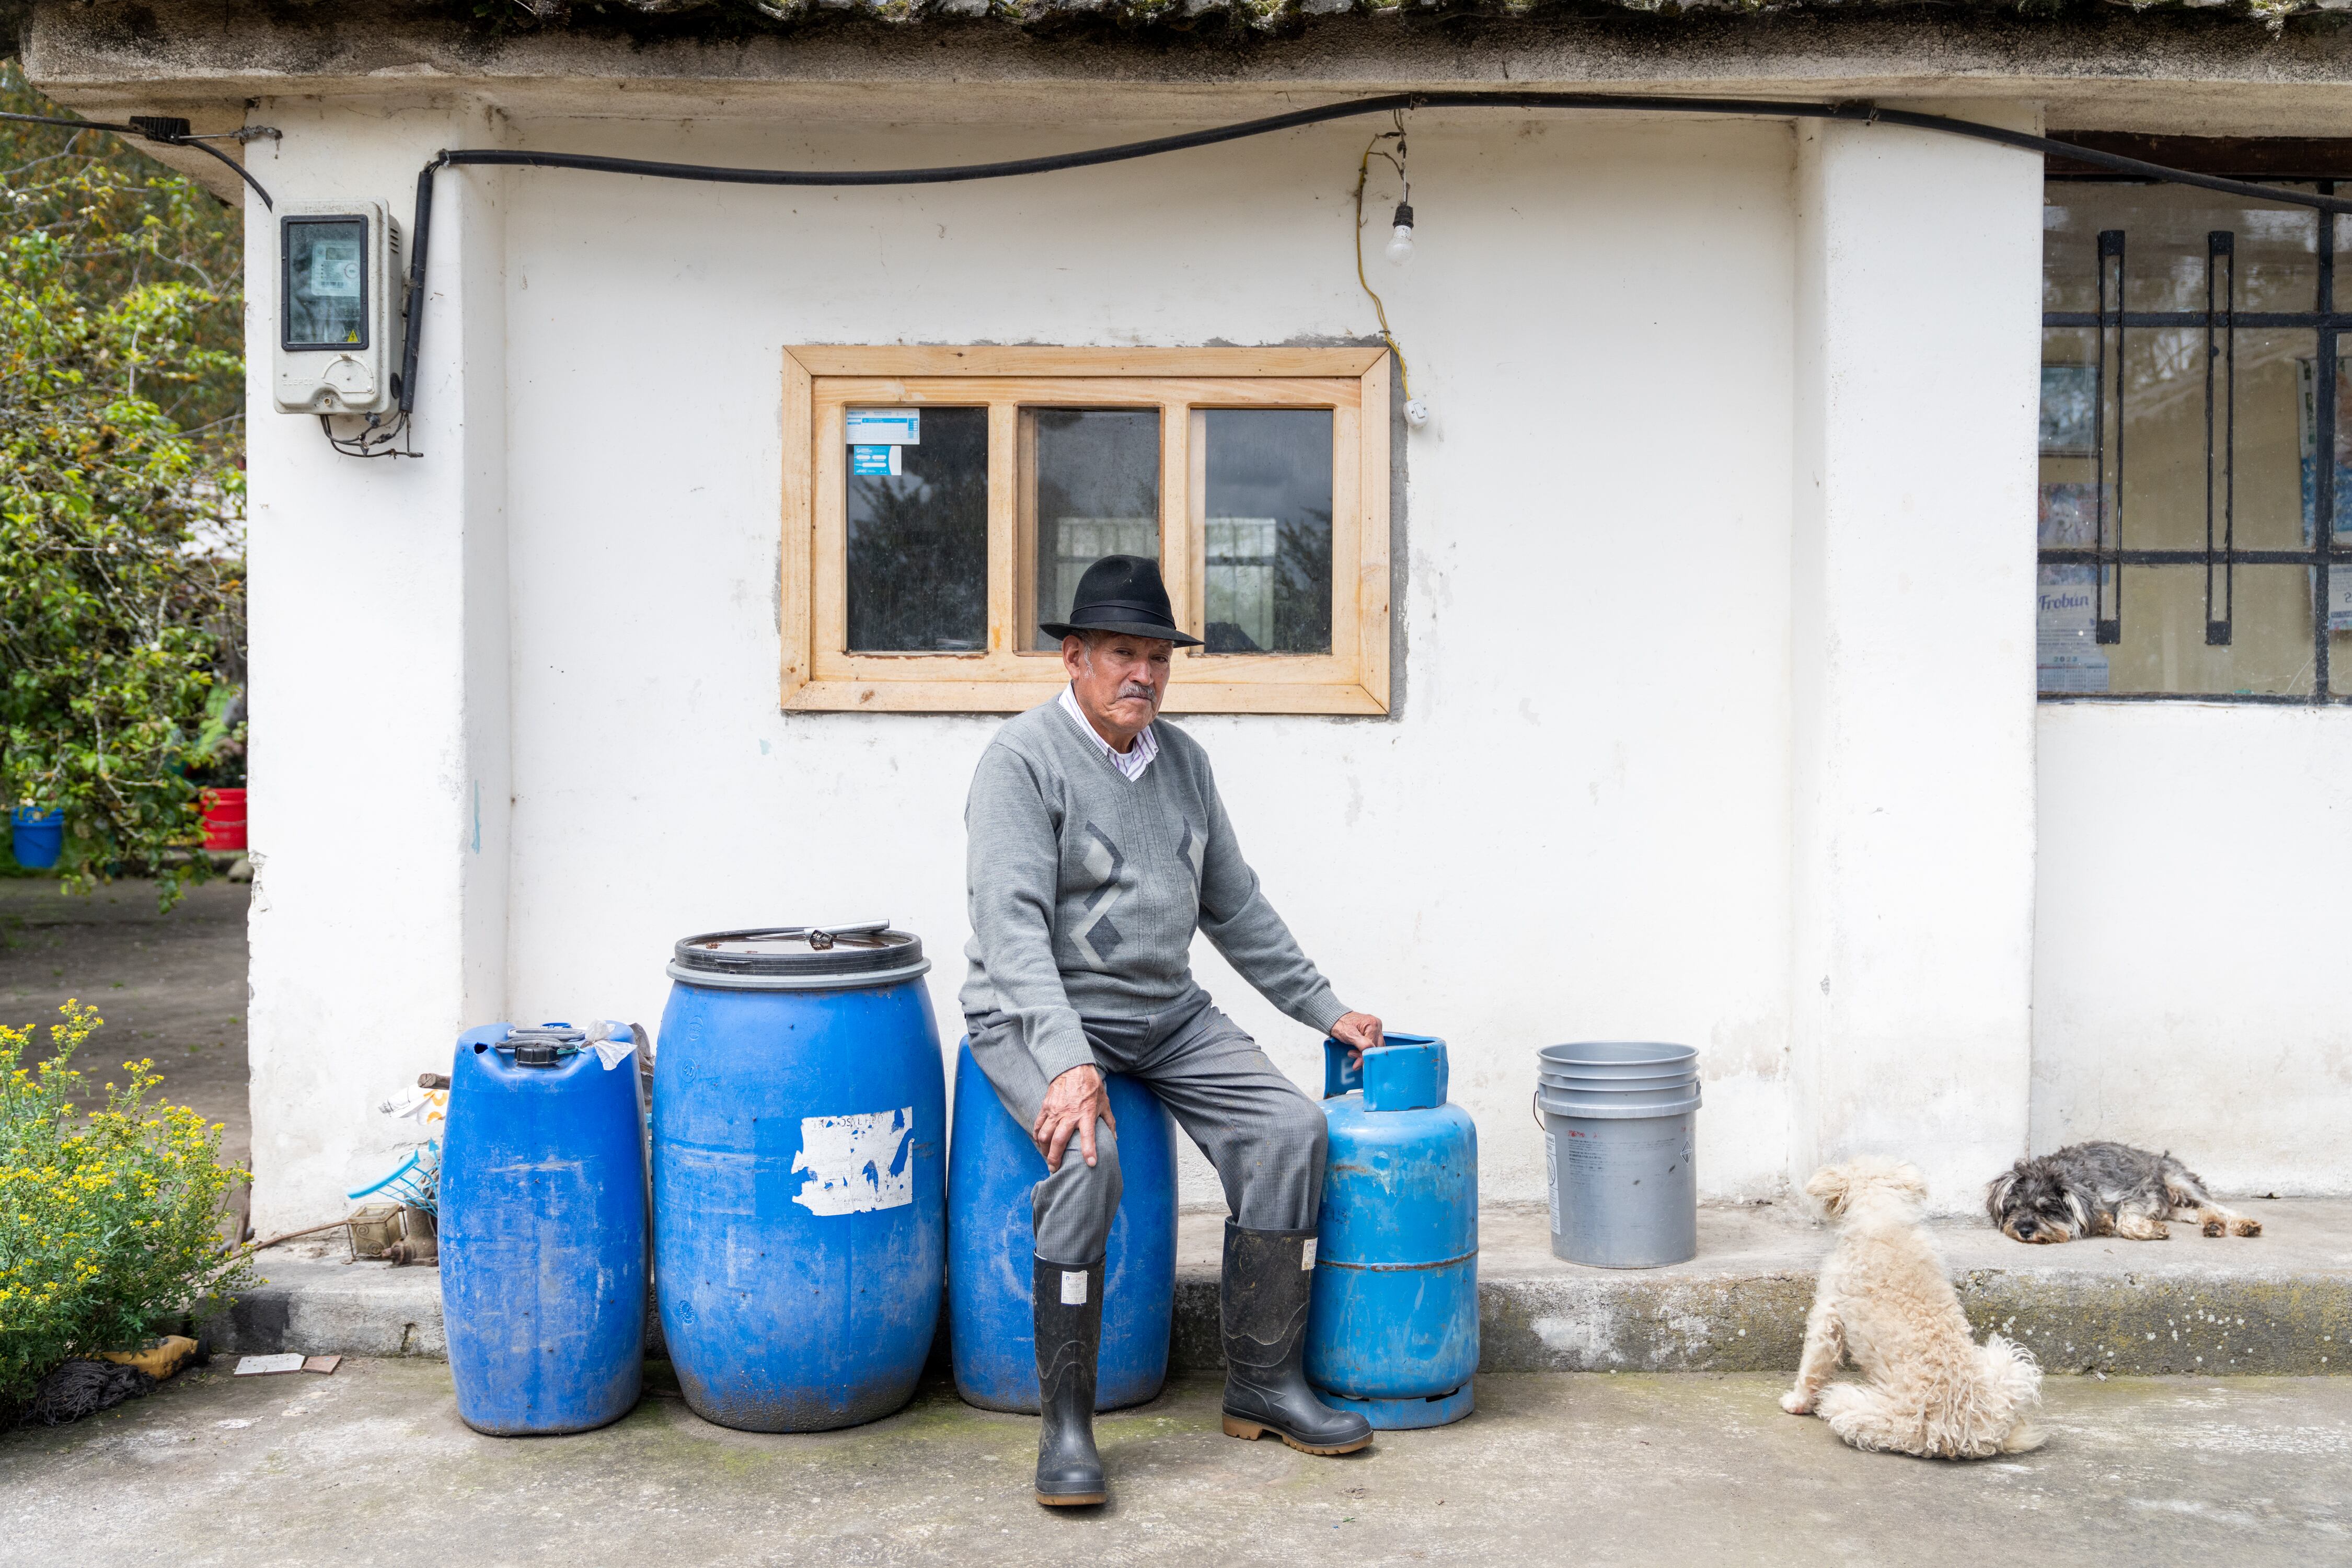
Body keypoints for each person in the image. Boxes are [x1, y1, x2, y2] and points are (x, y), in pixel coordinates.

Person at [962, 554, 1386, 1508]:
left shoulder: (1185, 764)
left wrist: (1326, 1007)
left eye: (1157, 657)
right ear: (1072, 658)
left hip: (1163, 1011)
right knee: (1085, 1162)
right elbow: (1011, 930)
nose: (1142, 675)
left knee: (1290, 1130)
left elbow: (1235, 908)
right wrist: (1066, 1064)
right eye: (1120, 653)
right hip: (1040, 1014)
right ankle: (1067, 1425)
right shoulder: (1020, 762)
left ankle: (1263, 1385)